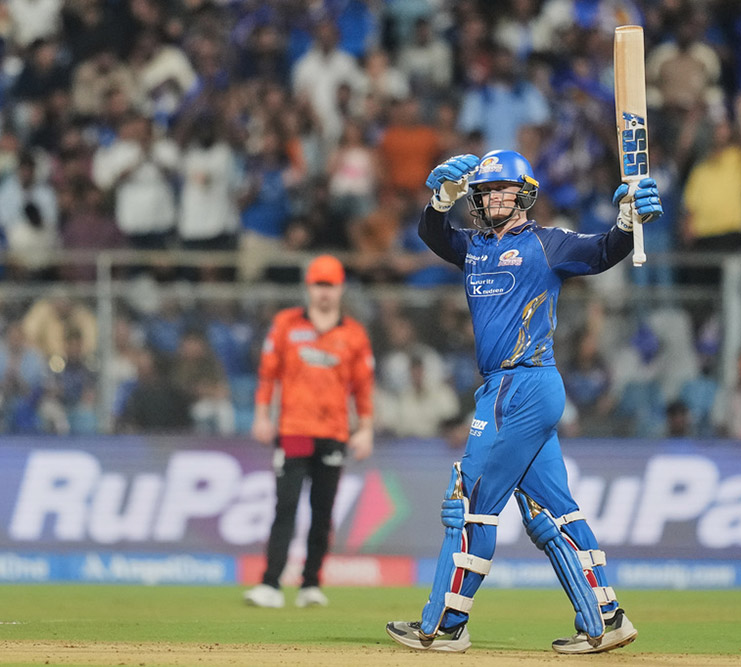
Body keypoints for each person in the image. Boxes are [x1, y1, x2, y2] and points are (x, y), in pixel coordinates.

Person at [385, 150, 662, 654]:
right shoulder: (471, 247)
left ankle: (445, 625)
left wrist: (626, 222)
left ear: (525, 193)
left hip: (525, 384)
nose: (492, 198)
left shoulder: (546, 242)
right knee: (548, 511)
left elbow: (601, 252)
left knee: (469, 500)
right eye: (485, 191)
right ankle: (605, 618)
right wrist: (440, 198)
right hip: (507, 388)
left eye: (502, 189)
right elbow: (432, 234)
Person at [243, 254, 375, 609]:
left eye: (330, 285)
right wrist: (261, 415)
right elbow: (267, 374)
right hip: (293, 429)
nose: (324, 293)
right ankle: (270, 584)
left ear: (340, 288)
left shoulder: (353, 334)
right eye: (319, 285)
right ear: (308, 287)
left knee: (323, 510)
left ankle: (311, 584)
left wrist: (365, 429)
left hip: (333, 432)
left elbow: (363, 388)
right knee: (285, 506)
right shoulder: (286, 325)